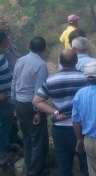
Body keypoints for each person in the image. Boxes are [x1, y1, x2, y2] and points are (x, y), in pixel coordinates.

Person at [32, 49, 89, 176]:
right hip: (82, 127)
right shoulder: (85, 78)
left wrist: (55, 112)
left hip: (60, 128)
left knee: (64, 165)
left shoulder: (51, 80)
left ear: (61, 62)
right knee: (86, 164)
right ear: (76, 61)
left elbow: (36, 101)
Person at [12, 36, 49, 176]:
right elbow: (39, 91)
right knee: (38, 140)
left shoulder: (20, 60)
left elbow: (14, 82)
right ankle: (35, 172)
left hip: (19, 104)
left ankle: (29, 168)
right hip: (32, 106)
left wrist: (14, 105)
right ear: (43, 49)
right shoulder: (40, 65)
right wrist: (39, 112)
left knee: (27, 138)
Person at [0, 31, 14, 167]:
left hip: (7, 98)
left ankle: (6, 149)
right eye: (6, 39)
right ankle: (1, 157)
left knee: (6, 126)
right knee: (2, 127)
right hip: (2, 100)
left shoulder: (2, 55)